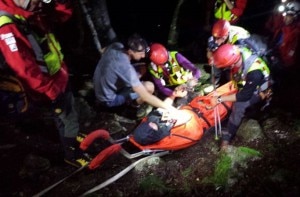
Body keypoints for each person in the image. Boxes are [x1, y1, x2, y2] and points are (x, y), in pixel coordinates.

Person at [0, 0, 88, 168]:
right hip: (48, 84)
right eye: (39, 1)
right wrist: (50, 91)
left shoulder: (29, 8)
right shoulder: (6, 24)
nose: (42, 4)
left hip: (57, 74)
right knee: (66, 118)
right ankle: (72, 154)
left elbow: (61, 15)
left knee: (68, 112)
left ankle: (72, 135)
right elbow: (24, 68)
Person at [93, 34, 179, 118]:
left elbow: (103, 50)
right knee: (149, 86)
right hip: (109, 99)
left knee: (142, 67)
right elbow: (145, 96)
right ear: (130, 51)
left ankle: (129, 87)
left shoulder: (116, 46)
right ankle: (132, 109)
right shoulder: (126, 68)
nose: (143, 55)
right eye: (141, 53)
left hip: (100, 88)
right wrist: (169, 108)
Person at [210, 44, 272, 150]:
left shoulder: (254, 72)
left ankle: (227, 137)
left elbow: (244, 96)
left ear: (233, 63)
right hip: (246, 83)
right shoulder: (238, 50)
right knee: (230, 92)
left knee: (239, 105)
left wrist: (219, 99)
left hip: (260, 90)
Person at [207, 19, 250, 86]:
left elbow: (237, 58)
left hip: (242, 49)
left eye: (218, 39)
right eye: (215, 38)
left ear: (225, 36)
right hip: (229, 46)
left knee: (231, 67)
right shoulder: (217, 34)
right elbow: (209, 50)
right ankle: (214, 82)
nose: (215, 41)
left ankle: (234, 84)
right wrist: (211, 58)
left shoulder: (238, 39)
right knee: (215, 60)